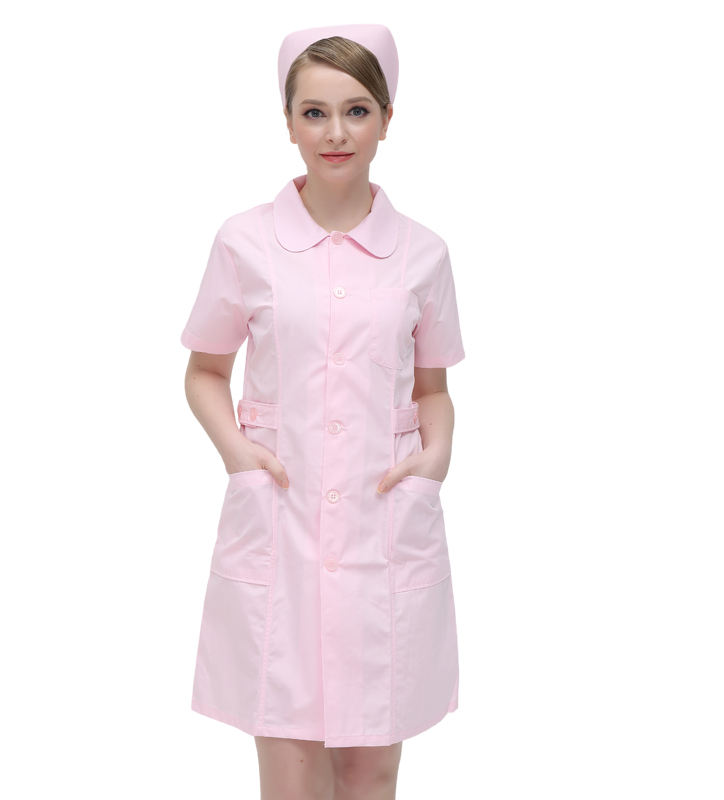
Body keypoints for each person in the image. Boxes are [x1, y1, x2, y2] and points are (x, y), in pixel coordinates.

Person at [180, 23, 466, 799]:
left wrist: (434, 460)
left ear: (387, 118)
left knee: (372, 770)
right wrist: (239, 455)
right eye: (314, 112)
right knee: (293, 764)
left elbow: (433, 388)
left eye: (356, 110)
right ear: (288, 122)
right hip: (283, 523)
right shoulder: (245, 243)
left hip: (383, 529)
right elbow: (205, 371)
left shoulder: (424, 254)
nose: (335, 132)